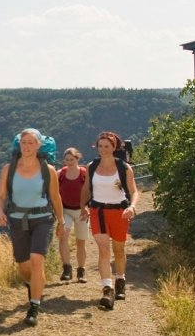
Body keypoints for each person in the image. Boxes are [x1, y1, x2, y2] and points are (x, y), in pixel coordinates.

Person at [0, 128, 64, 327]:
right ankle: (32, 284)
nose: (26, 146)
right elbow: (0, 196)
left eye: (31, 143)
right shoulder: (8, 169)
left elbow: (55, 197)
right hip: (17, 220)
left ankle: (34, 306)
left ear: (38, 145)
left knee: (36, 260)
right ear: (19, 145)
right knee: (24, 265)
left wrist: (61, 221)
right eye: (23, 142)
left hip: (42, 219)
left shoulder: (48, 170)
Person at [83, 131, 139, 310]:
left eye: (107, 146)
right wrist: (83, 206)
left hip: (119, 212)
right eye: (100, 146)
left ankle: (120, 280)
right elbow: (86, 189)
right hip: (97, 211)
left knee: (119, 250)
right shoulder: (91, 167)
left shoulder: (124, 168)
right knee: (104, 249)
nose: (103, 149)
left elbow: (134, 191)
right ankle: (108, 290)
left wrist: (132, 207)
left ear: (114, 147)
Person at [55, 147, 91, 283]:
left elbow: (90, 191)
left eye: (72, 159)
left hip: (81, 211)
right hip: (65, 210)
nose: (69, 162)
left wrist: (86, 207)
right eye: (67, 160)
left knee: (81, 242)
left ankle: (81, 271)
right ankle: (66, 268)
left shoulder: (84, 173)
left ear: (77, 159)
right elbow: (54, 192)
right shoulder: (60, 174)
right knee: (63, 237)